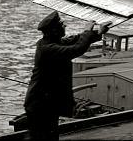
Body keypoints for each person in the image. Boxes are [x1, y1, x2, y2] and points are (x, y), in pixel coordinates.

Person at [24, 11, 110, 140]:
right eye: (62, 25)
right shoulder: (48, 49)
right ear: (54, 31)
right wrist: (87, 31)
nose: (65, 26)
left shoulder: (49, 42)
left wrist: (98, 32)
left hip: (46, 102)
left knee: (50, 136)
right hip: (40, 104)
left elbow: (74, 40)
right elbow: (76, 49)